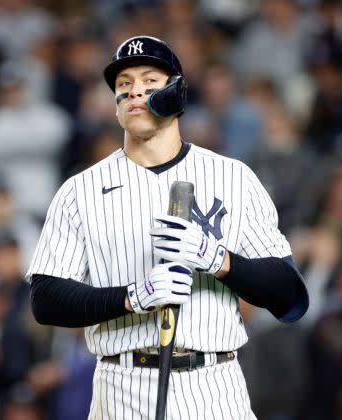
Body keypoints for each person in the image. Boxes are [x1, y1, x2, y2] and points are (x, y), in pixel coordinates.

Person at [27, 35, 309, 419]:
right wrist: (130, 297)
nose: (134, 91)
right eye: (123, 84)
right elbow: (46, 299)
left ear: (176, 92)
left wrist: (219, 259)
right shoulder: (80, 190)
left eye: (149, 80)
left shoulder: (232, 177)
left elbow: (288, 293)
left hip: (214, 384)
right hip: (120, 385)